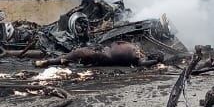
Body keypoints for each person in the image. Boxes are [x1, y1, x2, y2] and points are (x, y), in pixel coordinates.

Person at [32, 41, 161, 68]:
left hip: (103, 56)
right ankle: (60, 60)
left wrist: (156, 61)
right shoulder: (138, 48)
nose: (137, 53)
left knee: (77, 53)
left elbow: (142, 64)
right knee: (76, 53)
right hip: (102, 49)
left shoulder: (138, 60)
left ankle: (48, 62)